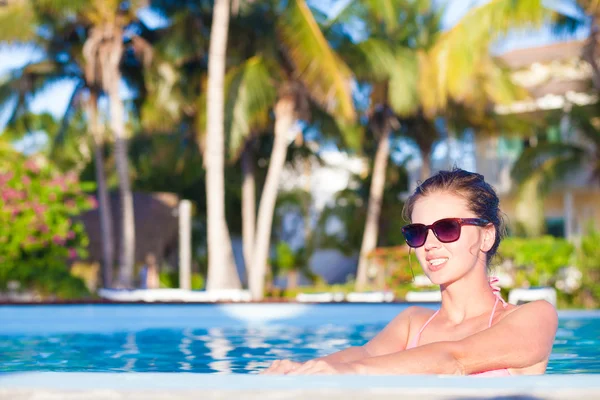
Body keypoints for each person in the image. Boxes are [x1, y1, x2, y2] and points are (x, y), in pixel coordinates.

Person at [263, 168, 558, 375]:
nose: (429, 244)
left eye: (446, 228)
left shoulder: (534, 316)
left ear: (486, 236)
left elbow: (455, 358)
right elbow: (365, 354)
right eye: (418, 232)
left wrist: (346, 372)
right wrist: (302, 369)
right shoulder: (412, 323)